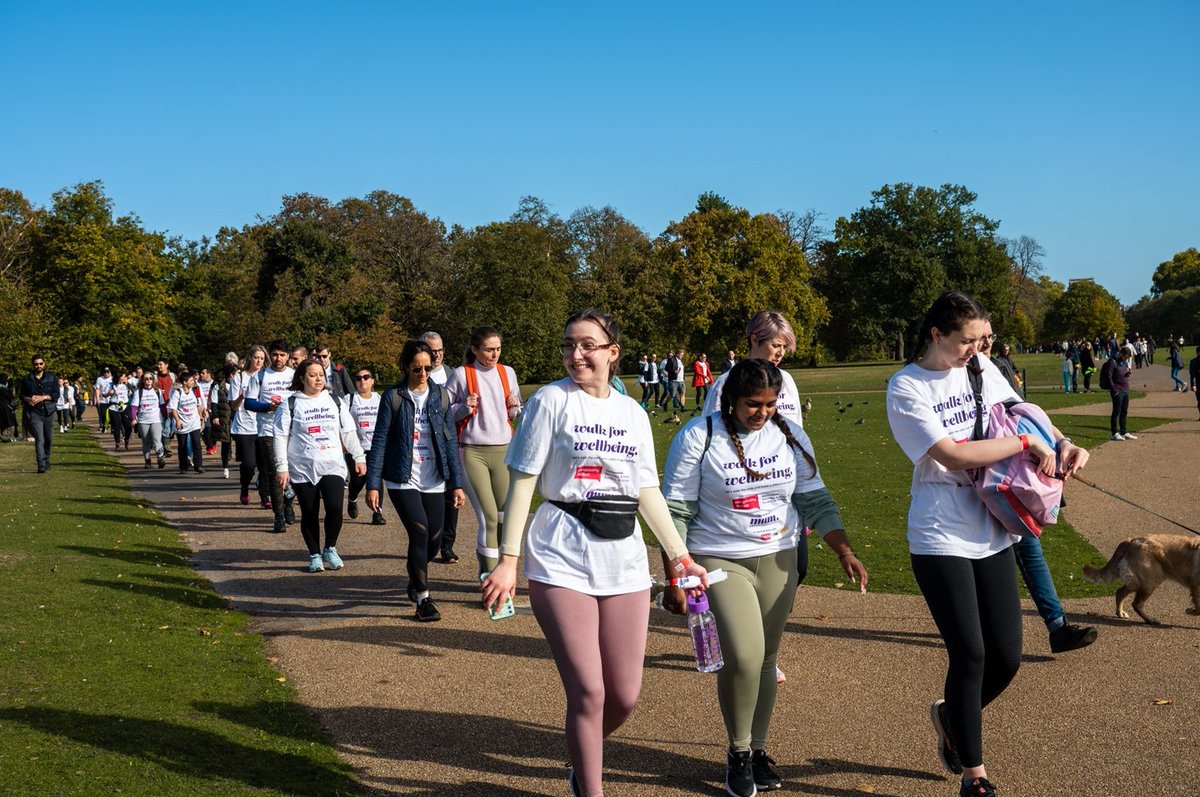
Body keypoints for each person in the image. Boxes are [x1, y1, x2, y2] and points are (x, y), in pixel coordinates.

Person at [481, 309, 708, 797]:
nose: (576, 354)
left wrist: (679, 556)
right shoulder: (549, 402)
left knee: (623, 698)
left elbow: (647, 490)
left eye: (587, 345)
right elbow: (522, 485)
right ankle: (591, 787)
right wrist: (508, 560)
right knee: (589, 692)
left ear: (612, 352)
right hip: (561, 553)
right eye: (568, 345)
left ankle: (582, 758)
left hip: (623, 558)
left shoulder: (633, 413)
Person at [886, 291, 1090, 797]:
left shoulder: (982, 368)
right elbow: (951, 455)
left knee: (1006, 657)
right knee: (970, 653)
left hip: (993, 526)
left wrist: (1060, 441)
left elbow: (1022, 413)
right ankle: (974, 776)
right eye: (966, 340)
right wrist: (1026, 446)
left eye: (982, 339)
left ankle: (952, 717)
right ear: (937, 335)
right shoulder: (906, 385)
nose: (977, 349)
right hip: (939, 532)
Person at [663, 359, 867, 796]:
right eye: (753, 404)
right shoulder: (699, 436)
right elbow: (675, 512)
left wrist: (844, 550)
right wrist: (677, 574)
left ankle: (757, 750)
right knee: (745, 654)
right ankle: (737, 752)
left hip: (779, 556)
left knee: (768, 657)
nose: (762, 412)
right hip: (720, 558)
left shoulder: (789, 434)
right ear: (730, 399)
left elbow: (815, 500)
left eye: (771, 404)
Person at [979, 323, 1097, 655]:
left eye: (990, 336)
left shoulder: (989, 369)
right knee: (995, 557)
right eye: (978, 336)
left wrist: (1063, 442)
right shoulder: (953, 375)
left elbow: (1030, 417)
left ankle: (1057, 628)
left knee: (1028, 547)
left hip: (1009, 482)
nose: (987, 342)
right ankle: (972, 626)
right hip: (979, 484)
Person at [366, 341, 467, 620]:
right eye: (416, 368)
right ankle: (423, 599)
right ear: (405, 367)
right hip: (402, 477)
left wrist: (456, 483)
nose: (422, 373)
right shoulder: (393, 397)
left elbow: (450, 442)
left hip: (434, 477)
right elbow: (380, 441)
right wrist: (373, 485)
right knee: (420, 532)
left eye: (427, 367)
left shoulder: (441, 396)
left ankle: (415, 576)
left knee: (435, 538)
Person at [274, 359, 366, 573]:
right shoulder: (290, 404)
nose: (318, 379)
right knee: (310, 512)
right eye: (313, 375)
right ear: (302, 378)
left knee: (335, 508)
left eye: (321, 375)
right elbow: (280, 436)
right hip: (302, 466)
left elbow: (348, 432)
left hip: (332, 464)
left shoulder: (335, 401)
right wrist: (282, 467)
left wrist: (359, 456)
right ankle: (314, 554)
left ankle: (330, 548)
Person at [446, 326, 522, 576]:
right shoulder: (460, 374)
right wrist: (464, 408)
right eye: (489, 350)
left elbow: (514, 412)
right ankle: (489, 579)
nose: (494, 354)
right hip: (472, 452)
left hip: (504, 450)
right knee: (489, 517)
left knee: (503, 517)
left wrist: (514, 406)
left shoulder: (507, 372)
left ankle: (500, 572)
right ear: (475, 349)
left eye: (498, 349)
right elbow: (446, 413)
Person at [704, 311, 803, 426]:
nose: (781, 353)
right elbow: (710, 430)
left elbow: (798, 428)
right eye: (776, 346)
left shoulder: (786, 380)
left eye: (784, 347)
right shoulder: (726, 382)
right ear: (754, 340)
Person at [243, 340, 296, 531]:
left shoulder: (294, 375)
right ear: (269, 356)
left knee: (294, 472)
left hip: (292, 431)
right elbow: (249, 403)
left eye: (282, 354)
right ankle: (279, 516)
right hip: (268, 431)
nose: (278, 358)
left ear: (288, 356)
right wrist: (268, 407)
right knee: (275, 474)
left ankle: (289, 500)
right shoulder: (260, 376)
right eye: (275, 354)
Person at [420, 329, 460, 561]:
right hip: (423, 444)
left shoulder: (453, 375)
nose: (436, 355)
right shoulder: (416, 374)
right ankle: (427, 540)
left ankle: (447, 545)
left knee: (451, 494)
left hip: (448, 442)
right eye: (431, 351)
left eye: (440, 350)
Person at [229, 345, 268, 508]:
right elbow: (233, 406)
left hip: (264, 425)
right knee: (249, 464)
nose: (259, 361)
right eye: (256, 357)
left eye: (262, 358)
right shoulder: (239, 377)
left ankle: (265, 496)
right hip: (244, 427)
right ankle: (244, 487)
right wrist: (241, 397)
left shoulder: (267, 376)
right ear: (250, 358)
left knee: (265, 464)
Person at [346, 367, 386, 526]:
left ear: (372, 381)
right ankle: (352, 498)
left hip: (376, 447)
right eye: (358, 378)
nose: (362, 380)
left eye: (366, 377)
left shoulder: (380, 399)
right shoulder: (349, 399)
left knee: (376, 477)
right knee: (358, 479)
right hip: (355, 448)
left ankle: (378, 513)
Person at [21, 355, 59, 473]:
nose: (39, 366)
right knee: (39, 439)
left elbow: (56, 395)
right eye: (36, 364)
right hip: (35, 412)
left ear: (44, 364)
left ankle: (46, 460)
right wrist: (28, 399)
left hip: (48, 412)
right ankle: (41, 464)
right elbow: (22, 395)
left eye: (41, 363)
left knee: (48, 439)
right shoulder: (27, 379)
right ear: (33, 364)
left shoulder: (52, 378)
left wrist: (43, 397)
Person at [169, 371, 207, 474]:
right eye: (191, 380)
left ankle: (198, 466)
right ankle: (183, 467)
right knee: (182, 445)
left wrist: (200, 417)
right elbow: (173, 408)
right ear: (185, 382)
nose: (193, 382)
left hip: (194, 422)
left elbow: (199, 404)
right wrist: (177, 420)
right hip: (182, 423)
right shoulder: (178, 392)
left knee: (197, 444)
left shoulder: (195, 391)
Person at [131, 373, 167, 469]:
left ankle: (160, 458)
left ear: (153, 380)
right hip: (143, 420)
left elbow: (162, 405)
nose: (148, 380)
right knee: (146, 442)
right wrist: (133, 418)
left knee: (157, 440)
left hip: (156, 419)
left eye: (150, 378)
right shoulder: (138, 392)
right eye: (146, 378)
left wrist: (165, 416)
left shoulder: (157, 391)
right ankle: (147, 460)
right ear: (142, 380)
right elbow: (134, 406)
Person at [209, 364, 235, 479]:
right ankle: (225, 467)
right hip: (225, 417)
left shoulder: (240, 386)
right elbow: (213, 403)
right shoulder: (218, 387)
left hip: (238, 418)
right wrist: (215, 416)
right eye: (234, 373)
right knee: (226, 442)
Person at [1107, 347, 1135, 441]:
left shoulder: (1123, 362)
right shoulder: (1112, 361)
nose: (1126, 359)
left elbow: (1122, 373)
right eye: (1125, 357)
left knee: (1124, 411)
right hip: (1117, 391)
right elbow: (1109, 377)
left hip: (1125, 390)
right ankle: (1114, 433)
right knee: (1116, 411)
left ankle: (1124, 432)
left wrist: (1127, 374)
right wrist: (1114, 390)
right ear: (1122, 353)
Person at [94, 366, 113, 433]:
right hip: (102, 400)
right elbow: (97, 389)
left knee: (112, 414)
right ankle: (106, 425)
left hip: (111, 400)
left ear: (110, 372)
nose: (106, 373)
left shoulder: (113, 379)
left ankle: (111, 426)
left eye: (108, 372)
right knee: (102, 415)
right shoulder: (99, 379)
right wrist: (97, 399)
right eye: (105, 372)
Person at [0, 374, 17, 442]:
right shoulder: (3, 389)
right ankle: (7, 436)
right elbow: (10, 397)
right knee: (8, 421)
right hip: (5, 407)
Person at [1189, 345, 1200, 420]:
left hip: (1198, 383)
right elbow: (1192, 374)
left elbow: (1192, 375)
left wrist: (1193, 384)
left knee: (1199, 400)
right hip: (1198, 382)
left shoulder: (1193, 361)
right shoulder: (1194, 361)